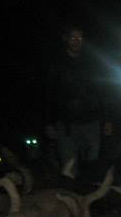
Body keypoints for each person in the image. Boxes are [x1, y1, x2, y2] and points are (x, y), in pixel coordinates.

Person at [45, 25, 112, 179]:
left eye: (80, 38)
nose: (77, 41)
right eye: (73, 38)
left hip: (91, 122)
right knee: (69, 167)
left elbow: (104, 92)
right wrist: (48, 122)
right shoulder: (56, 63)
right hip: (66, 124)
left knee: (92, 167)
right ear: (66, 39)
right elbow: (48, 93)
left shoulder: (93, 63)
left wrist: (108, 120)